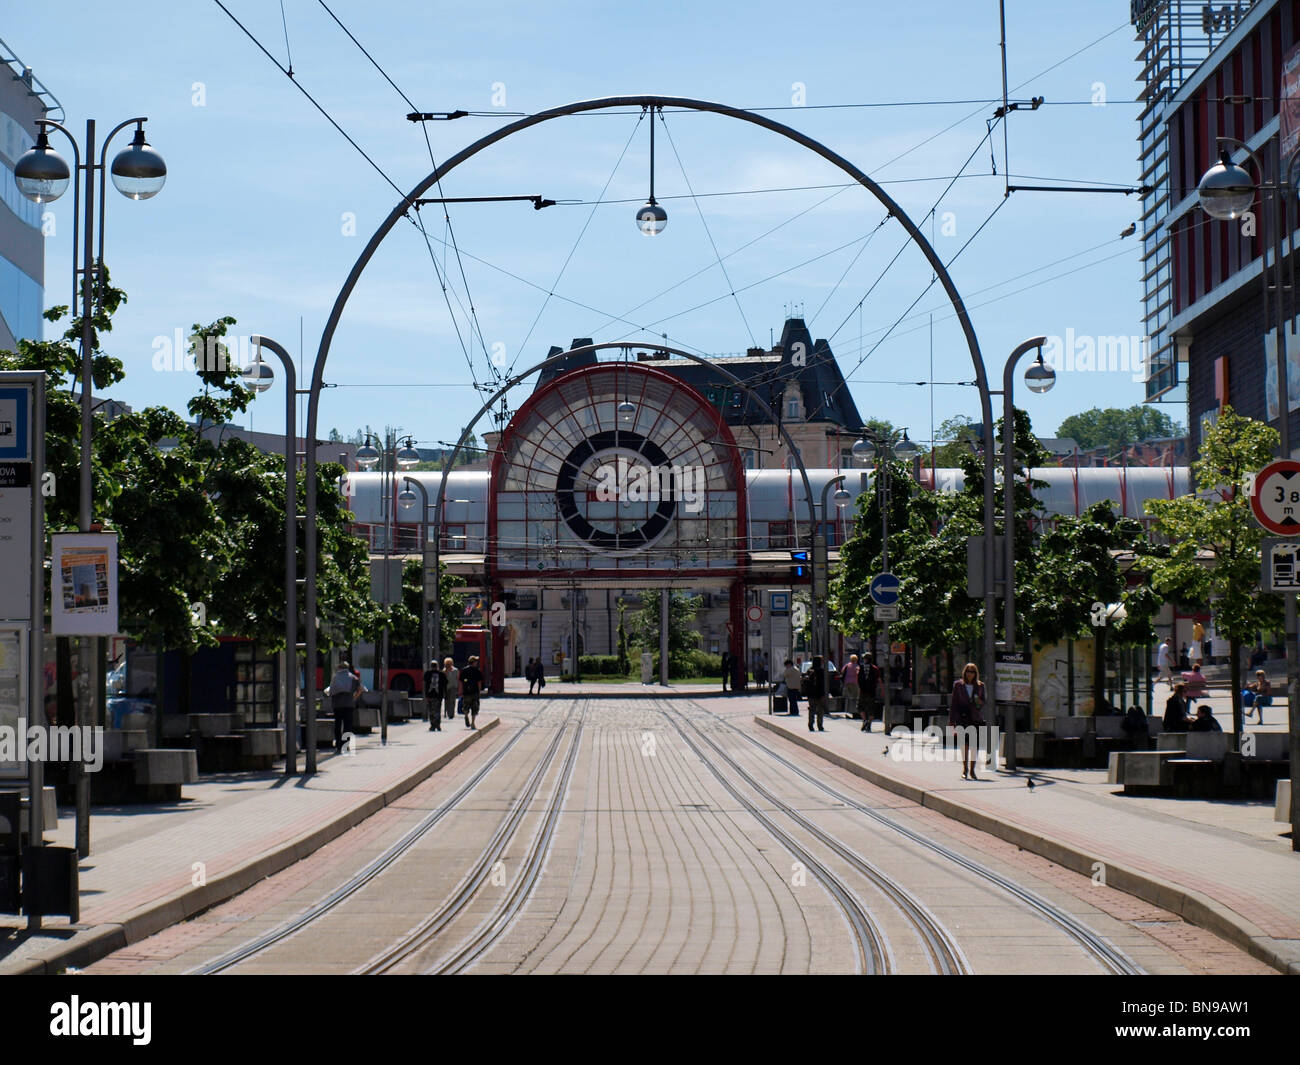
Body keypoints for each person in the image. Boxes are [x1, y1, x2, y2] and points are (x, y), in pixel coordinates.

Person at [949, 662, 986, 781]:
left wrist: (979, 702)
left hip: (975, 718)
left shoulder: (980, 686)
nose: (970, 674)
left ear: (976, 674)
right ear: (965, 673)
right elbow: (954, 703)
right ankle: (965, 768)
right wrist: (952, 721)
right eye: (968, 671)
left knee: (974, 745)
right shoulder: (958, 685)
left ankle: (972, 770)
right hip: (962, 717)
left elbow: (983, 702)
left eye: (973, 672)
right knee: (964, 744)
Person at [328, 660, 363, 752]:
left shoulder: (335, 678)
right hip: (349, 704)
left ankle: (338, 744)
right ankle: (345, 744)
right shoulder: (353, 678)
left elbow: (330, 691)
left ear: (339, 668)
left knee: (338, 724)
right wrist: (354, 697)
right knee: (348, 725)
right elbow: (359, 689)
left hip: (337, 705)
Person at [460, 655, 484, 729]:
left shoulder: (464, 670)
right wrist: (479, 692)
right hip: (475, 692)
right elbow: (479, 682)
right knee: (475, 708)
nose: (477, 663)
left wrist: (460, 691)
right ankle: (473, 723)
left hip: (466, 692)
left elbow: (460, 682)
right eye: (476, 661)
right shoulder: (477, 671)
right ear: (473, 662)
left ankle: (466, 715)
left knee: (466, 706)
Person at [806, 655, 828, 732]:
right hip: (820, 693)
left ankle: (811, 724)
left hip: (811, 694)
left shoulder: (809, 670)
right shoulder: (821, 671)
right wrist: (823, 694)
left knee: (812, 709)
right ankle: (820, 725)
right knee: (820, 709)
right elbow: (822, 684)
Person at [859, 653, 881, 732]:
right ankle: (869, 723)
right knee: (871, 708)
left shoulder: (860, 668)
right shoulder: (875, 668)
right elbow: (879, 680)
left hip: (862, 691)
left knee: (860, 707)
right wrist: (881, 690)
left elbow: (857, 678)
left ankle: (864, 720)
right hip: (872, 691)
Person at [423, 662, 443, 731]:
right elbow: (445, 684)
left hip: (430, 695)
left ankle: (432, 725)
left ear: (431, 666)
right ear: (437, 666)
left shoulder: (427, 674)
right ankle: (437, 724)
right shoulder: (441, 674)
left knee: (431, 710)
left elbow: (425, 685)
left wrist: (426, 695)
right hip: (438, 695)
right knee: (437, 710)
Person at [842, 655, 861, 720]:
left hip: (847, 682)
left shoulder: (847, 665)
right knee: (855, 698)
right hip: (854, 682)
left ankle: (848, 711)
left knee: (849, 697)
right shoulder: (856, 666)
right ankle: (855, 712)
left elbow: (842, 671)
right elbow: (858, 673)